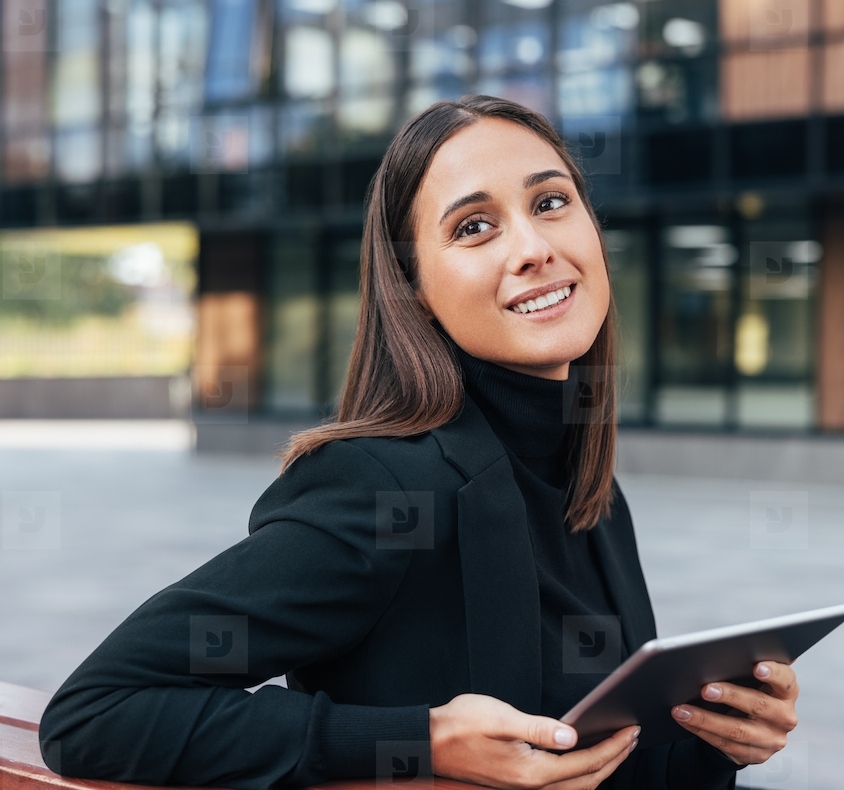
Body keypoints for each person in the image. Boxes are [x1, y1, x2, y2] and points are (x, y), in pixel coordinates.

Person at [38, 94, 800, 790]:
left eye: (551, 201)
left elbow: (598, 760)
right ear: (416, 293)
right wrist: (421, 741)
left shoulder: (589, 485)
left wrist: (714, 740)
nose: (532, 246)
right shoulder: (381, 486)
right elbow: (98, 713)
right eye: (474, 227)